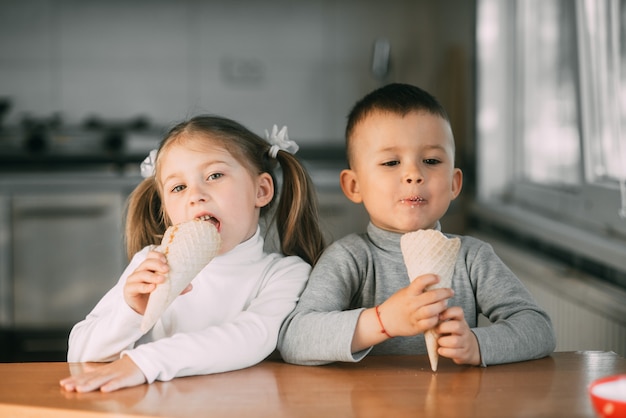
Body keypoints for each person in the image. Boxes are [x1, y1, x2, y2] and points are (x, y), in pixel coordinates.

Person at [278, 83, 556, 367]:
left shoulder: (472, 257)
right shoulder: (348, 258)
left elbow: (539, 328)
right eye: (390, 162)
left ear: (454, 183)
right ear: (354, 185)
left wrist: (477, 344)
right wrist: (383, 321)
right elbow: (296, 338)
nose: (413, 174)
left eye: (431, 160)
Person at [60, 115, 325, 392]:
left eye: (214, 176)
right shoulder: (151, 262)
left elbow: (252, 337)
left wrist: (145, 362)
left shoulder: (285, 273)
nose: (195, 195)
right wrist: (131, 312)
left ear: (261, 190)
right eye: (178, 187)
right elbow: (80, 354)